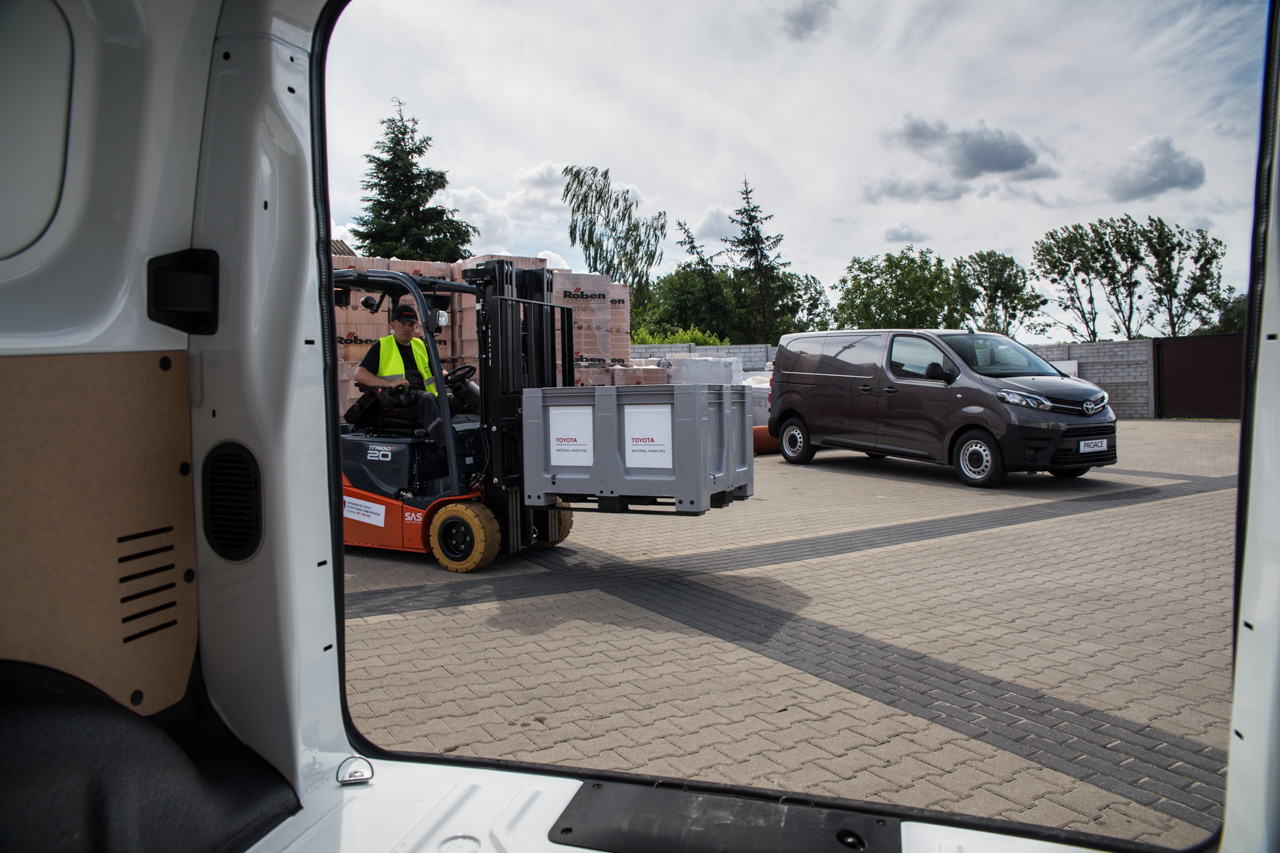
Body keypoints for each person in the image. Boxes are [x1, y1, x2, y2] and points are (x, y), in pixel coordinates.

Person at [353, 303, 438, 395]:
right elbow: (359, 374)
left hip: (425, 396)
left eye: (411, 325)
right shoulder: (382, 345)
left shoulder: (420, 345)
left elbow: (438, 370)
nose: (407, 328)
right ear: (393, 325)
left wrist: (445, 376)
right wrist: (389, 384)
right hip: (398, 398)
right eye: (403, 324)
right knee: (427, 397)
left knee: (448, 399)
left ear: (416, 327)